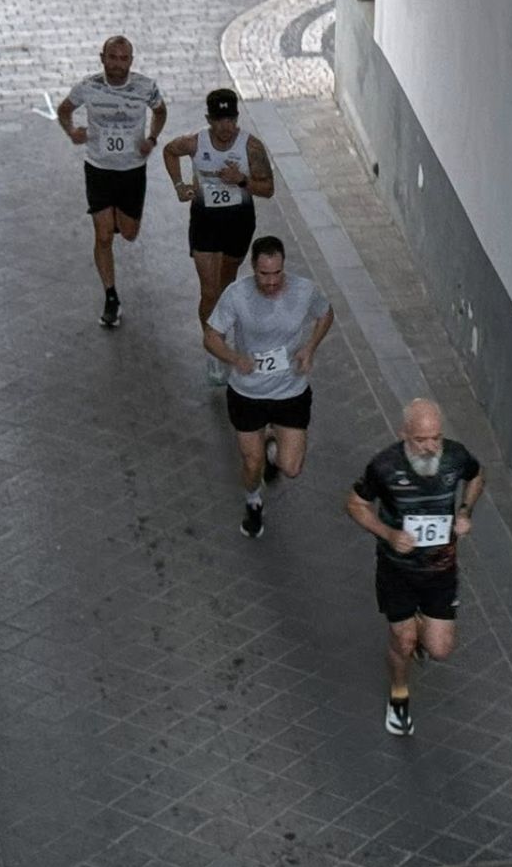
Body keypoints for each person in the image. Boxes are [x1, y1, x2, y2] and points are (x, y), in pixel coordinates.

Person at [346, 398, 485, 736]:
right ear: (404, 435)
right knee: (403, 641)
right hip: (397, 570)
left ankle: (423, 625)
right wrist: (388, 533)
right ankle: (399, 696)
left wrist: (465, 512)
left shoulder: (455, 456)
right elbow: (355, 503)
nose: (430, 447)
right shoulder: (385, 466)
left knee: (439, 650)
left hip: (441, 570)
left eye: (435, 437)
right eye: (421, 440)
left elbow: (477, 476)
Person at [203, 236, 335, 538]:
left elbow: (326, 314)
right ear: (253, 269)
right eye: (264, 274)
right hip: (248, 393)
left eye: (277, 273)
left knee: (291, 468)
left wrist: (310, 347)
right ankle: (253, 502)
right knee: (252, 464)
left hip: (291, 391)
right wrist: (235, 358)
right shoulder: (236, 296)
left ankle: (273, 447)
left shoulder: (304, 291)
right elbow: (210, 337)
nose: (272, 281)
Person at [162, 88, 274, 384]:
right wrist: (179, 185)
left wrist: (242, 180)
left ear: (237, 118)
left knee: (225, 288)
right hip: (205, 221)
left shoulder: (251, 147)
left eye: (231, 119)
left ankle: (222, 336)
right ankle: (214, 349)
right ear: (209, 119)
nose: (226, 127)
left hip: (238, 223)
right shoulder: (194, 143)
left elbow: (268, 189)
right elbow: (169, 151)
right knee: (209, 291)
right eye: (220, 120)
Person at [56, 34, 167, 328]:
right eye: (112, 58)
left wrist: (152, 139)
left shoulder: (145, 87)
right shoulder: (89, 87)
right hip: (99, 169)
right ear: (102, 58)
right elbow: (64, 109)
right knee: (103, 236)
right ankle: (111, 296)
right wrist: (71, 131)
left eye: (123, 59)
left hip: (132, 170)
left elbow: (160, 111)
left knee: (128, 233)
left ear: (131, 60)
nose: (118, 65)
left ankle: (117, 218)